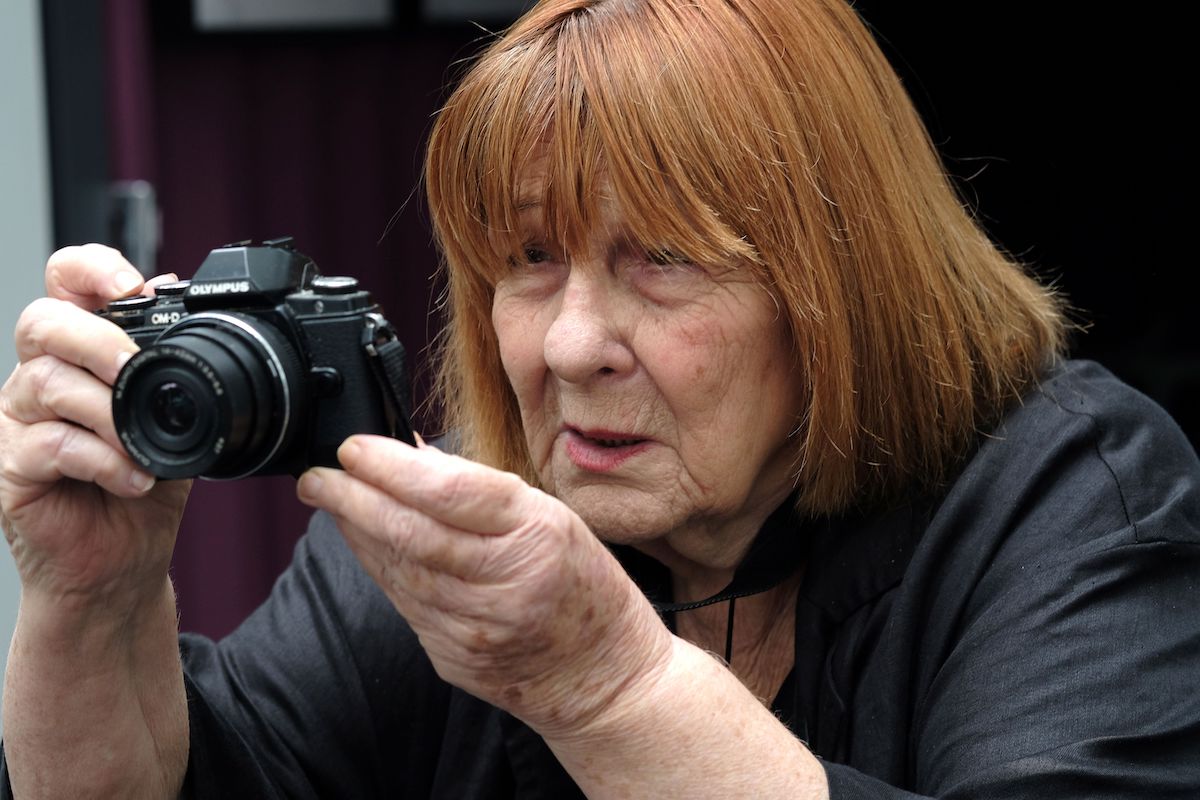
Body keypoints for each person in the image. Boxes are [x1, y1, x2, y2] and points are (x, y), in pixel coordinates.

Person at [2, 0, 1198, 796]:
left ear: (842, 282)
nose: (572, 344)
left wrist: (608, 686)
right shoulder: (467, 512)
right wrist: (89, 602)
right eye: (527, 257)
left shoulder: (1067, 490)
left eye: (663, 257)